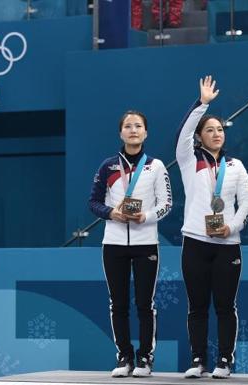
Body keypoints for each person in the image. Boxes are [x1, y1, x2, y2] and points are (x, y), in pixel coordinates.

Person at [175, 76, 248, 379]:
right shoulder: (188, 160)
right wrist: (202, 105)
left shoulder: (236, 166)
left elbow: (246, 202)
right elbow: (181, 135)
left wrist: (231, 226)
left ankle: (224, 360)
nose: (217, 134)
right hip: (195, 241)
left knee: (224, 305)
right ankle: (198, 360)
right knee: (197, 306)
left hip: (227, 244)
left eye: (220, 129)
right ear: (199, 137)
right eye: (210, 130)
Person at [89, 111, 172, 378]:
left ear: (146, 133)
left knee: (145, 303)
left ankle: (145, 358)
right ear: (120, 133)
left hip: (146, 242)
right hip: (113, 243)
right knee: (118, 303)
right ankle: (124, 356)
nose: (133, 130)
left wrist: (145, 217)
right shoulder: (108, 166)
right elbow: (93, 202)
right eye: (128, 126)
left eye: (138, 126)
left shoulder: (156, 166)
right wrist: (112, 213)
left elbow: (166, 204)